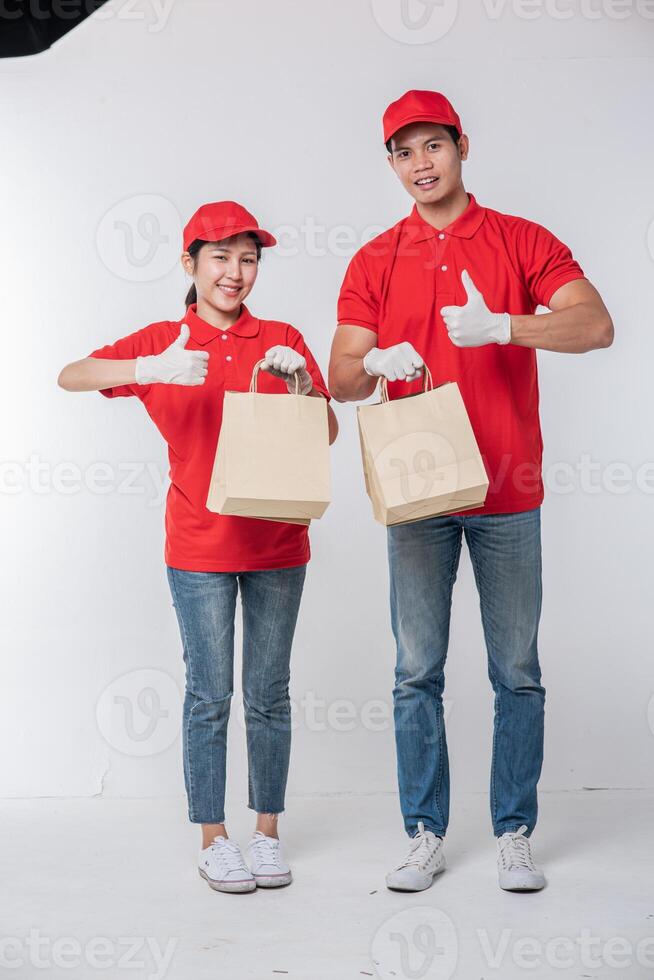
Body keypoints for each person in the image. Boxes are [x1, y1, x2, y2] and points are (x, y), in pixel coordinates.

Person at [329, 90, 613, 892]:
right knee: (416, 669)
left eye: (433, 146)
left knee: (515, 668)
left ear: (462, 146)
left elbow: (595, 326)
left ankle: (514, 830)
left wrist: (508, 326)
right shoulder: (375, 259)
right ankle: (424, 831)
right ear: (391, 163)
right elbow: (341, 374)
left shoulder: (523, 240)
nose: (420, 164)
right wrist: (374, 366)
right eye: (403, 151)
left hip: (509, 492)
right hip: (418, 493)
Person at [58, 200, 338, 895]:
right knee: (209, 694)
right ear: (190, 264)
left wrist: (301, 386)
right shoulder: (165, 340)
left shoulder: (280, 336)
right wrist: (153, 365)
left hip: (278, 543)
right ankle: (214, 838)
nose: (235, 273)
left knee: (269, 693)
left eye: (248, 259)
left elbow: (325, 433)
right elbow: (72, 373)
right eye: (220, 257)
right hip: (198, 546)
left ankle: (266, 835)